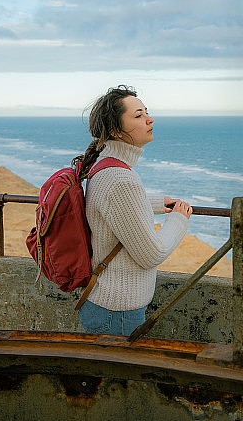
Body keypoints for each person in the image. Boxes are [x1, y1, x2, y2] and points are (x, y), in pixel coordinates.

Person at [72, 85, 192, 336]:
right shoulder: (120, 179)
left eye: (146, 112)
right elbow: (150, 254)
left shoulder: (105, 166)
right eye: (138, 116)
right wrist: (178, 220)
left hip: (107, 305)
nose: (150, 119)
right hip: (117, 311)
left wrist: (157, 203)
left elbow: (109, 206)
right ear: (116, 130)